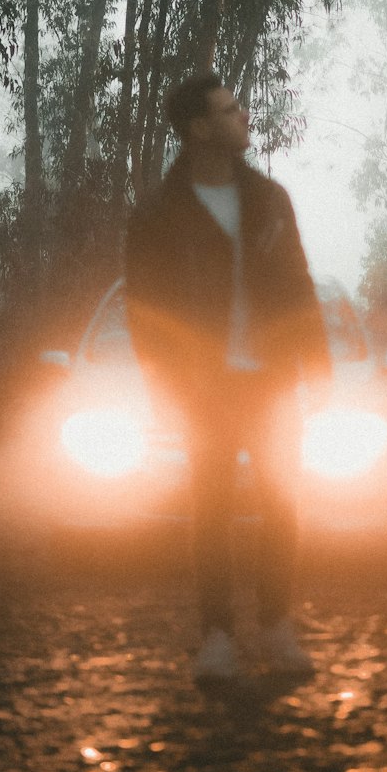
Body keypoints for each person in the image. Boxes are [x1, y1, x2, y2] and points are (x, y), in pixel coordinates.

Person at [124, 72, 332, 682]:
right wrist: (164, 383)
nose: (244, 116)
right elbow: (146, 310)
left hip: (269, 380)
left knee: (281, 505)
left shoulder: (270, 199)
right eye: (230, 109)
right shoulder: (159, 213)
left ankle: (275, 627)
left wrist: (317, 362)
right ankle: (217, 638)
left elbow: (297, 282)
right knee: (211, 512)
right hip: (205, 384)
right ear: (199, 129)